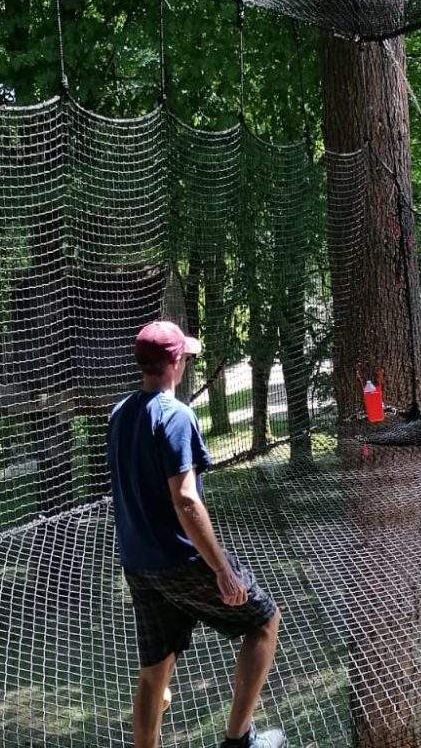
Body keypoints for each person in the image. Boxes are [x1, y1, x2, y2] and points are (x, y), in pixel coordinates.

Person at [107, 320, 286, 748]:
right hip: (180, 560)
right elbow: (186, 500)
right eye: (184, 356)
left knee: (155, 671)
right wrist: (222, 569)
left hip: (138, 563)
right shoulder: (176, 416)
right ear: (174, 362)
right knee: (264, 621)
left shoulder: (119, 413)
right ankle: (239, 740)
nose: (186, 361)